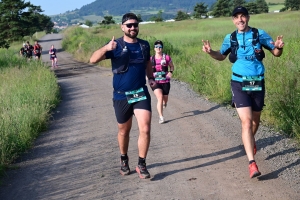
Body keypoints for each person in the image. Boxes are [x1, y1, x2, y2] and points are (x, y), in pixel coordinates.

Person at [202, 6, 284, 179]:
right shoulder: (230, 38)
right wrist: (211, 53)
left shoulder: (259, 34)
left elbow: (276, 53)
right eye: (236, 17)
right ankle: (251, 163)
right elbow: (221, 56)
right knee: (246, 122)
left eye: (243, 16)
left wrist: (278, 47)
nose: (240, 20)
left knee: (255, 122)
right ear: (233, 20)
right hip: (239, 82)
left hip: (257, 82)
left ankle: (250, 141)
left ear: (248, 18)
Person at [89, 13, 156, 179]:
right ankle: (124, 159)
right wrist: (106, 48)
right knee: (123, 131)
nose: (133, 28)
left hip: (140, 93)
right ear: (122, 27)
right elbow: (92, 60)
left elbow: (147, 62)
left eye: (135, 25)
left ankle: (142, 164)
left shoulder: (144, 45)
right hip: (121, 96)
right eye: (129, 25)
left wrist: (151, 78)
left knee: (145, 128)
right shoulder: (115, 45)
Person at [150, 40, 175, 124]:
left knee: (165, 97)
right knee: (159, 97)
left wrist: (170, 72)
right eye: (156, 47)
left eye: (160, 47)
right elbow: (147, 69)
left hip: (165, 81)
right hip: (155, 81)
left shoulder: (167, 57)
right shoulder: (151, 59)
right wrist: (148, 76)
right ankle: (161, 117)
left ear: (162, 48)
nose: (158, 48)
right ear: (154, 48)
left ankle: (165, 103)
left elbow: (172, 66)